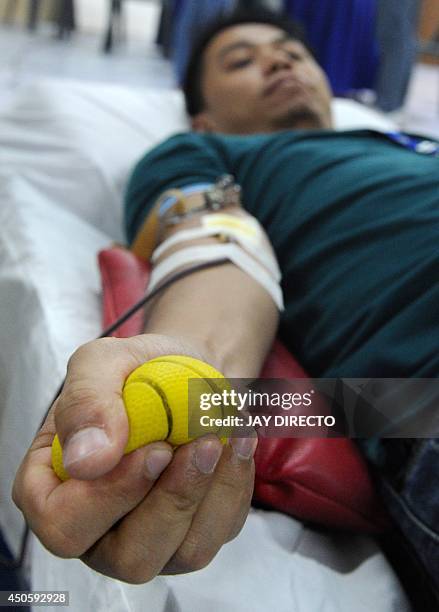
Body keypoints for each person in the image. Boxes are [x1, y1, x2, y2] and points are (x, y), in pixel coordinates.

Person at [13, 7, 438, 593]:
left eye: (292, 52)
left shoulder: (412, 142)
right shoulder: (208, 156)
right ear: (205, 117)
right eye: (242, 60)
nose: (279, 59)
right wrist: (190, 374)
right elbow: (217, 241)